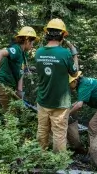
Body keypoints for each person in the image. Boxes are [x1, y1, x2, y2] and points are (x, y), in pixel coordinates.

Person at [35, 18, 78, 152]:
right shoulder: (65, 53)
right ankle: (58, 164)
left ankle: (39, 157)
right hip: (60, 103)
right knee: (59, 134)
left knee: (42, 130)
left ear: (47, 34)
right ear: (62, 36)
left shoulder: (39, 52)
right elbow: (75, 72)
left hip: (43, 100)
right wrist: (74, 53)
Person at [0, 26, 37, 109]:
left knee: (16, 112)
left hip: (10, 88)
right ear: (27, 40)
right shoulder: (16, 49)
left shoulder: (23, 54)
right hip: (2, 85)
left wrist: (20, 93)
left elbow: (20, 73)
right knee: (11, 113)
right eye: (32, 43)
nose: (32, 46)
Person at [69, 71, 97, 137]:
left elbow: (79, 105)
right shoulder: (83, 82)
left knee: (92, 125)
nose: (68, 86)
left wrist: (68, 114)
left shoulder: (83, 86)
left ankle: (95, 146)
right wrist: (70, 107)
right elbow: (81, 100)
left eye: (69, 84)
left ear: (74, 81)